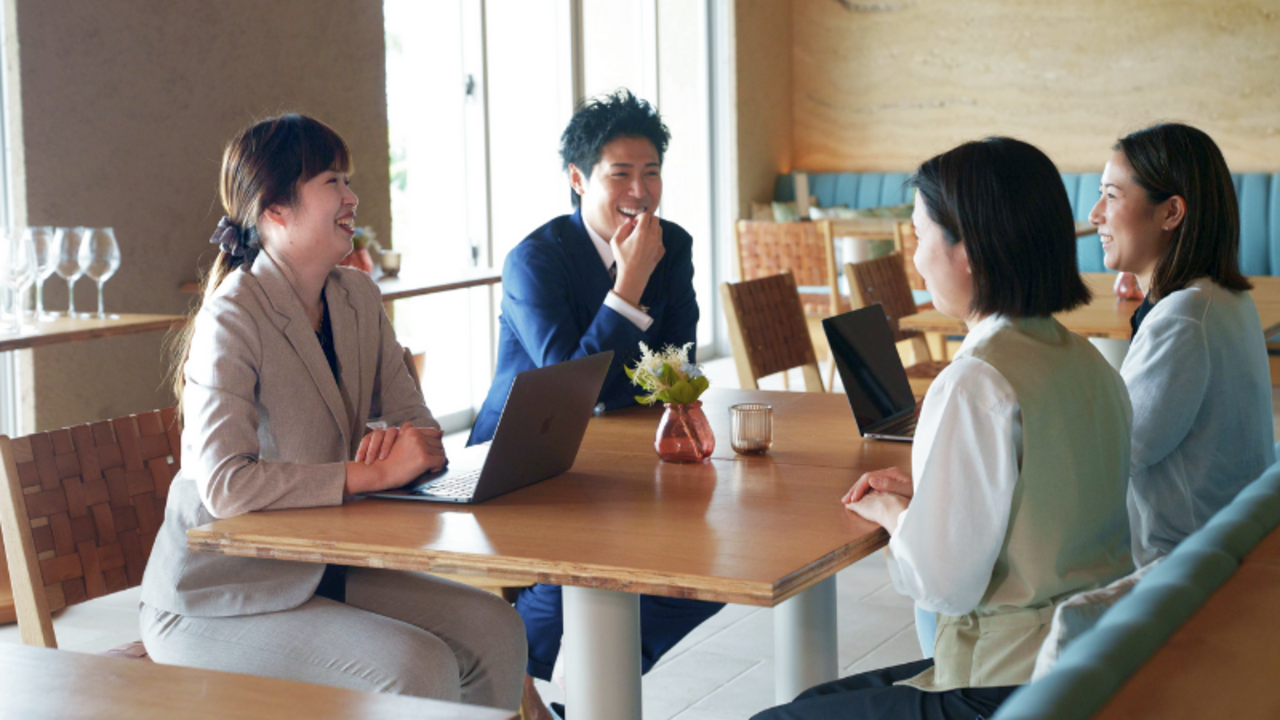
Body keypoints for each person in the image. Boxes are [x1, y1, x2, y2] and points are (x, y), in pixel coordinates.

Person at [139, 114, 526, 710]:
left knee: (496, 629)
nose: (352, 197)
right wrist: (374, 472)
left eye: (348, 180)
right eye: (332, 182)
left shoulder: (358, 297)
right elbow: (225, 485)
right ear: (276, 209)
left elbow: (418, 427)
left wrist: (407, 447)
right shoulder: (232, 316)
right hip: (217, 595)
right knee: (416, 669)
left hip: (324, 567)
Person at [754, 138, 1135, 720]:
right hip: (1095, 660)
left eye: (919, 237)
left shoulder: (975, 382)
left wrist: (893, 513)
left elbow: (942, 586)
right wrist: (935, 494)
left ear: (970, 251)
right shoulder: (1091, 364)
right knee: (812, 704)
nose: (916, 260)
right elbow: (1051, 498)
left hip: (1010, 685)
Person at [469, 89, 721, 714]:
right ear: (579, 179)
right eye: (621, 174)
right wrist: (630, 284)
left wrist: (637, 378)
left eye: (651, 172)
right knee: (591, 568)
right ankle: (513, 658)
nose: (640, 190)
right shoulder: (535, 261)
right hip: (521, 463)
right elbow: (568, 386)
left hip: (617, 453)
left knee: (711, 569)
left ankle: (564, 671)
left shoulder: (673, 245)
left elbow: (676, 366)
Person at [1089, 122, 1274, 567]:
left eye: (1111, 196)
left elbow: (1114, 455)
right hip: (1227, 540)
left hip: (1182, 566)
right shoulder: (1225, 298)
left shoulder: (1183, 319)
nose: (1095, 214)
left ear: (1171, 212)